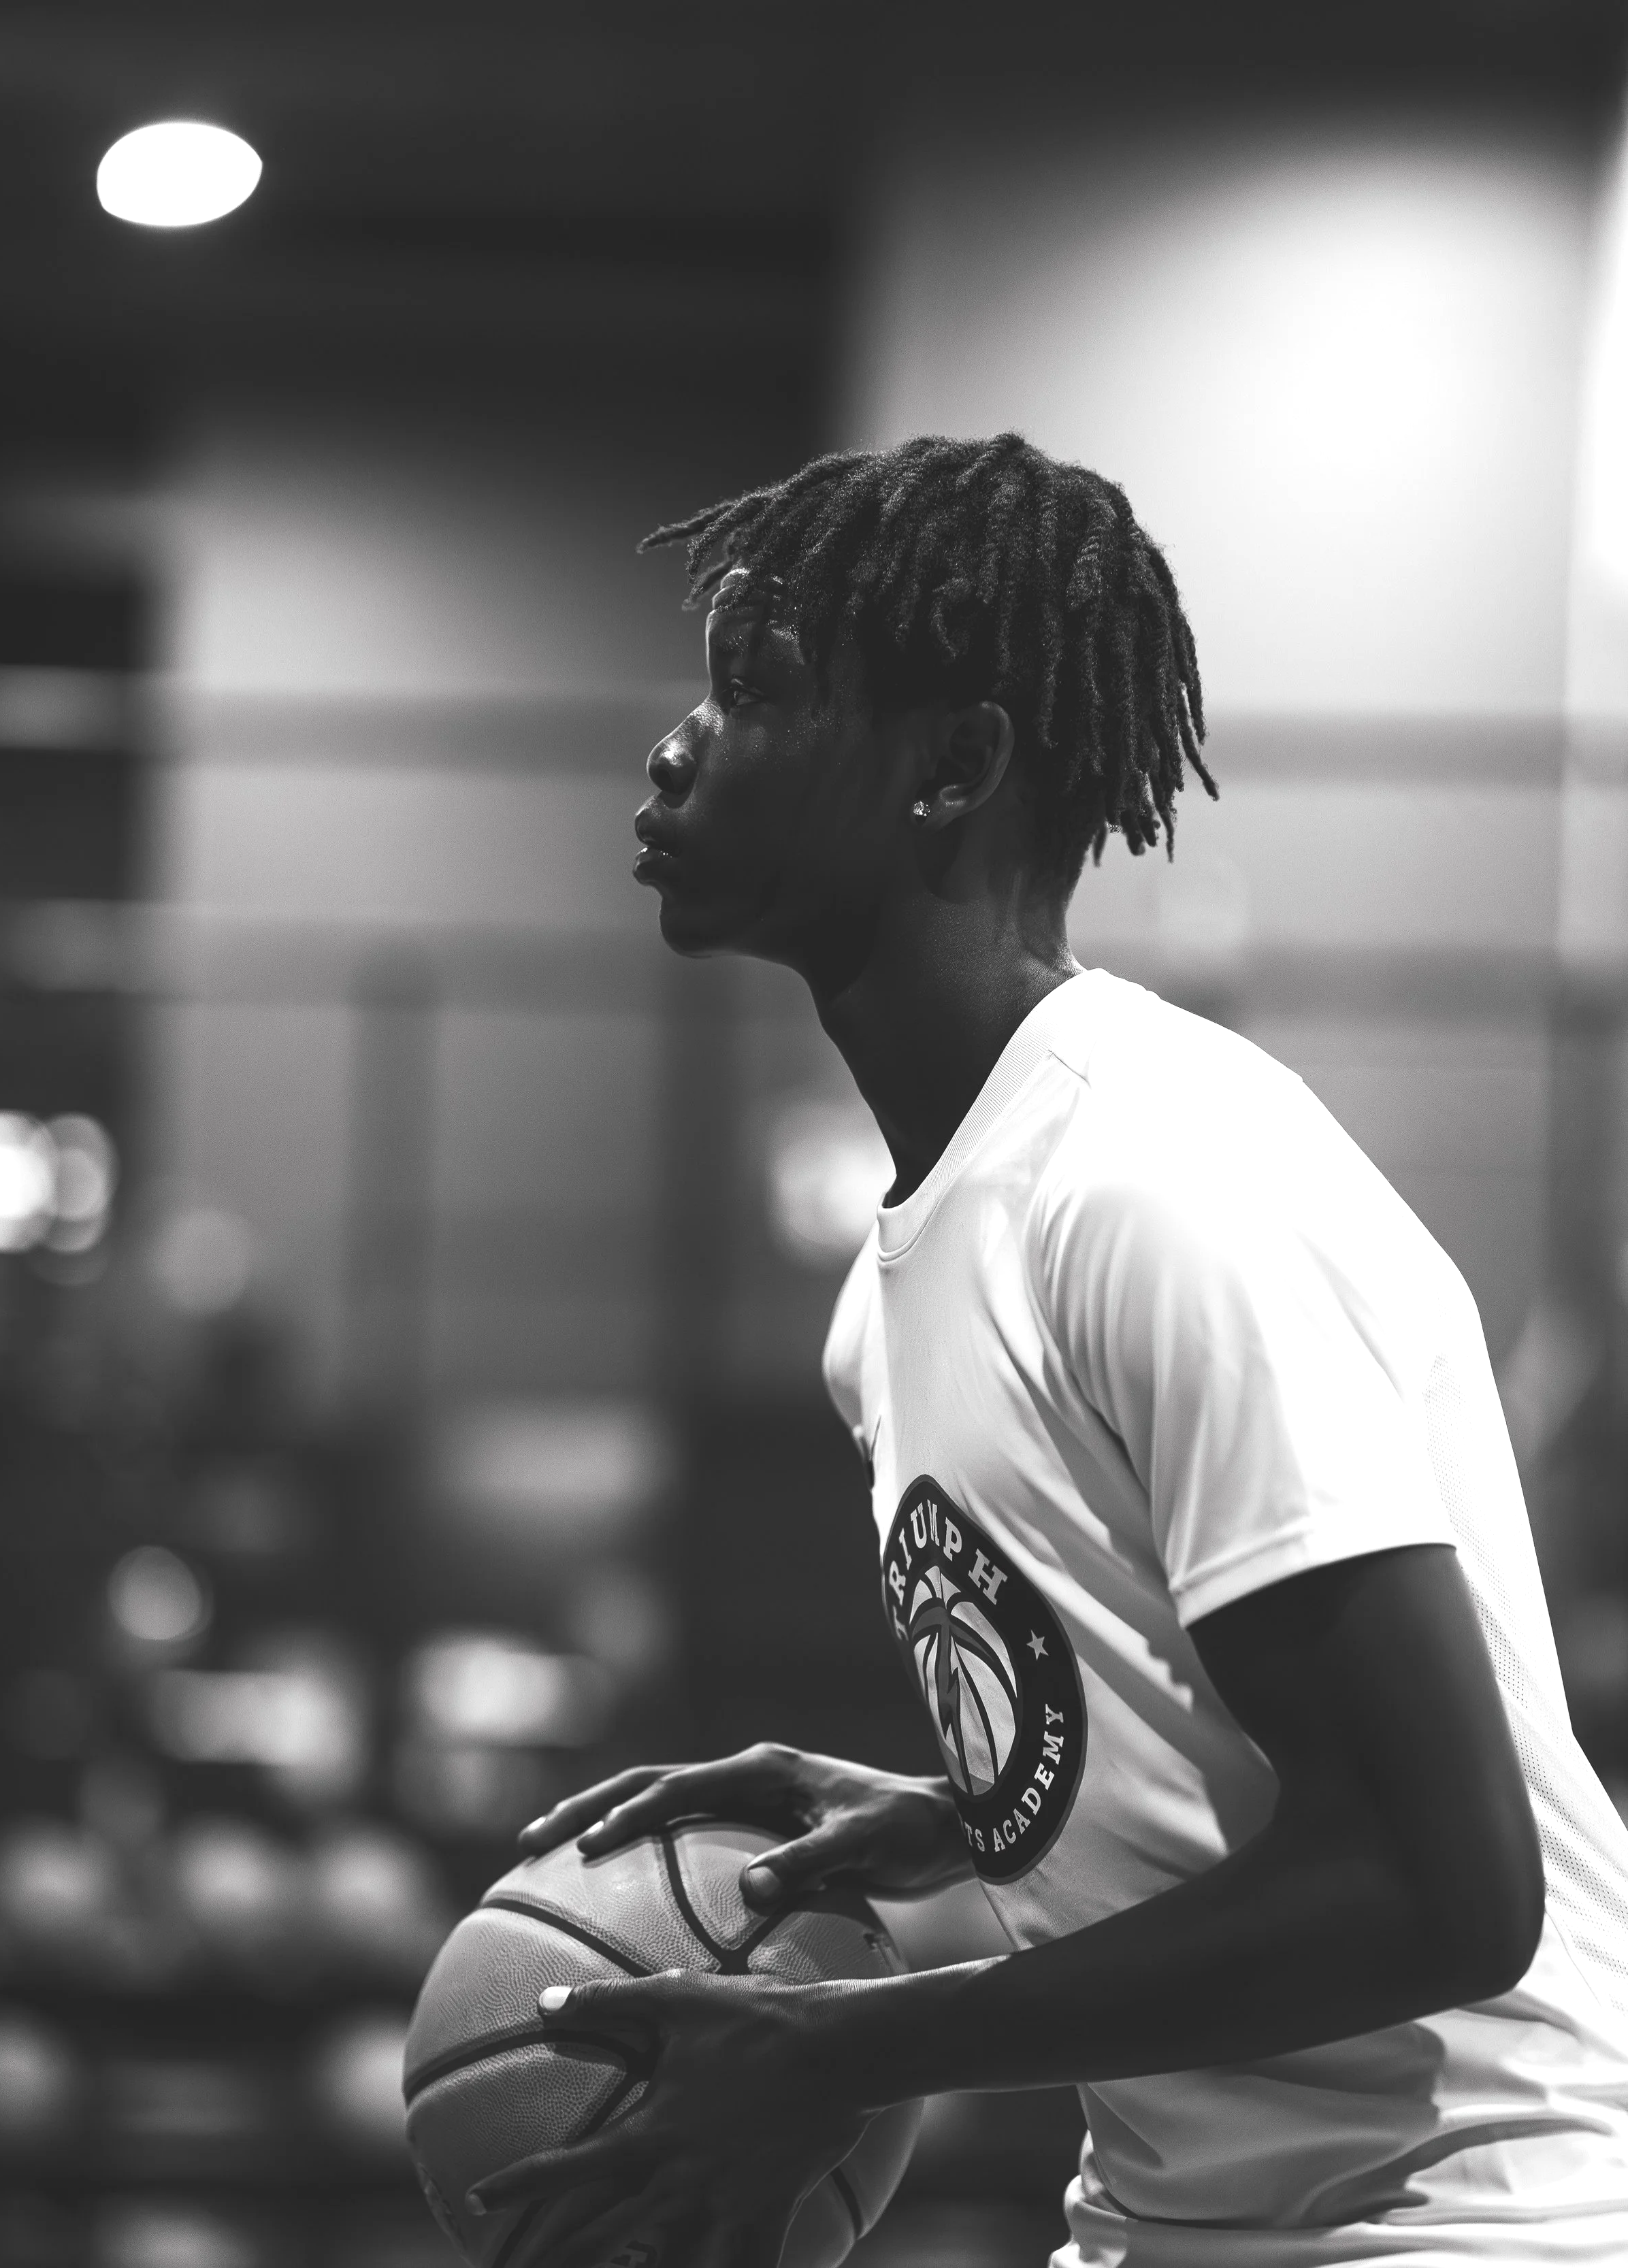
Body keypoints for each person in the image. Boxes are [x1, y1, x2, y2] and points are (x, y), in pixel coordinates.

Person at [492, 435, 1628, 2266]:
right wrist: (992, 1806)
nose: (678, 740)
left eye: (757, 690)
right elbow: (1257, 1746)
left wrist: (847, 2048)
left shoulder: (1161, 1181)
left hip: (1476, 2219)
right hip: (1187, 2215)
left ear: (952, 770)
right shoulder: (901, 1291)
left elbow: (1443, 1887)